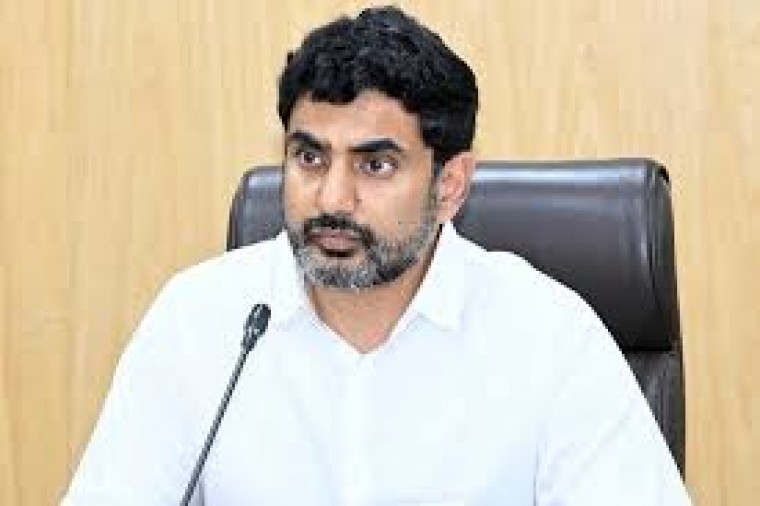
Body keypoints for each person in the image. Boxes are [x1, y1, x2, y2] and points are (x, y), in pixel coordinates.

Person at [62, 6, 691, 505]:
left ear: (450, 185)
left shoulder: (548, 336)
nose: (332, 198)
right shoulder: (199, 321)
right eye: (310, 157)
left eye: (376, 165)